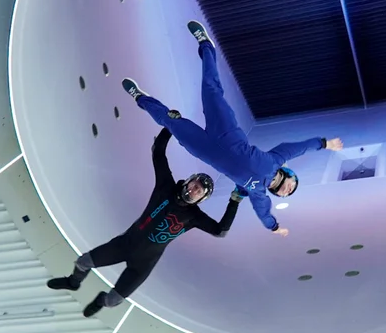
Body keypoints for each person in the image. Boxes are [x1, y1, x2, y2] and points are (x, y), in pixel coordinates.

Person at [122, 20, 343, 235]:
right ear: (289, 174)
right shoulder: (276, 159)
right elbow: (300, 147)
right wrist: (325, 143)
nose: (289, 190)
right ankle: (206, 45)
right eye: (292, 186)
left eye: (288, 193)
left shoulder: (258, 193)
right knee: (211, 89)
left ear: (277, 194)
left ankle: (141, 98)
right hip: (226, 131)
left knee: (169, 122)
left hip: (205, 151)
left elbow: (263, 213)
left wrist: (274, 227)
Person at [46, 127, 241, 317]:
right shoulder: (166, 187)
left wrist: (234, 201)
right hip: (124, 244)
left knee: (113, 301)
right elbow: (158, 152)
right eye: (195, 185)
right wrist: (171, 126)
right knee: (83, 262)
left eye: (199, 191)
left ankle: (99, 301)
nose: (194, 190)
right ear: (189, 181)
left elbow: (220, 230)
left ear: (201, 199)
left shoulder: (194, 216)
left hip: (143, 263)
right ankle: (73, 283)